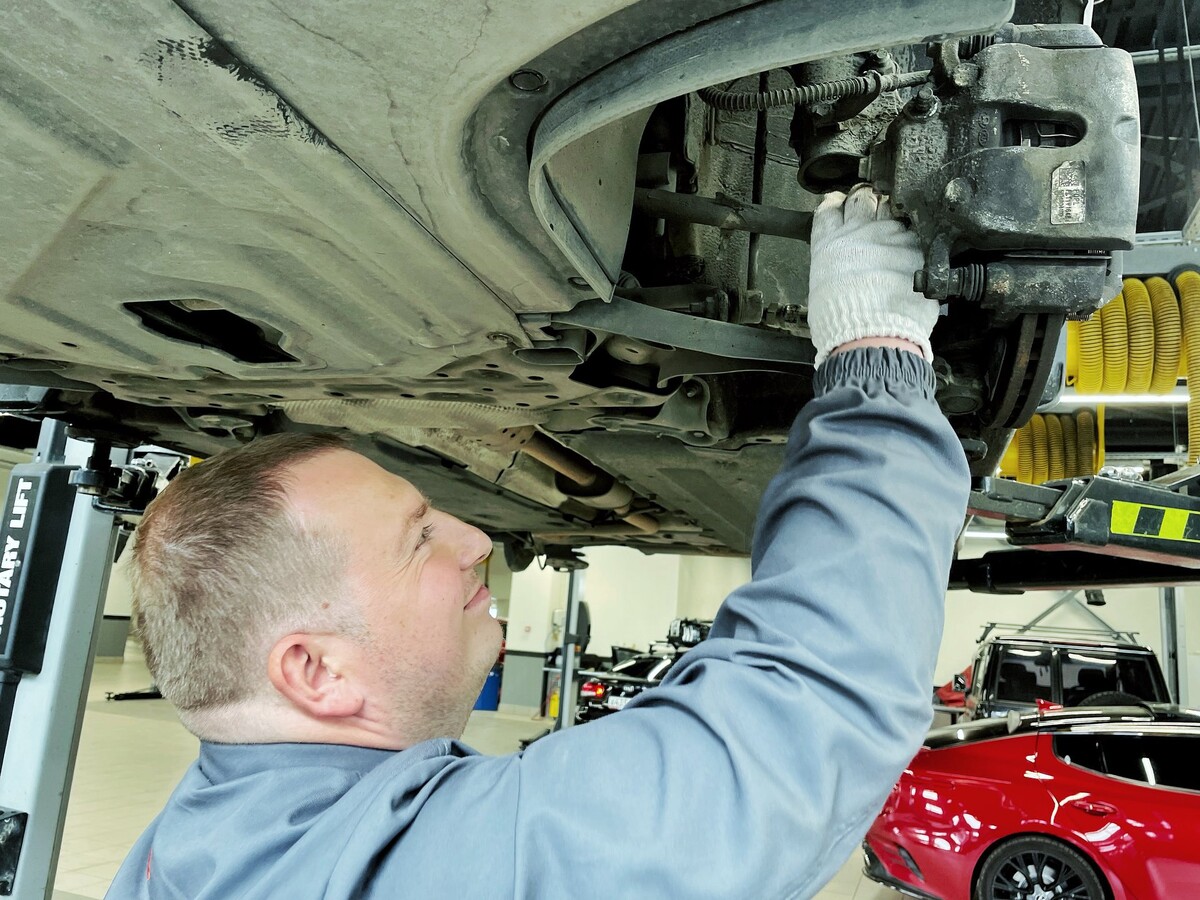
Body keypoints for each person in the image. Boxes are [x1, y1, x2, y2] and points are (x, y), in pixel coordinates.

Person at [107, 187, 970, 899]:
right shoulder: (416, 874)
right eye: (418, 541)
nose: (478, 538)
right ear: (315, 671)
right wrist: (875, 359)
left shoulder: (176, 858)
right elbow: (801, 715)